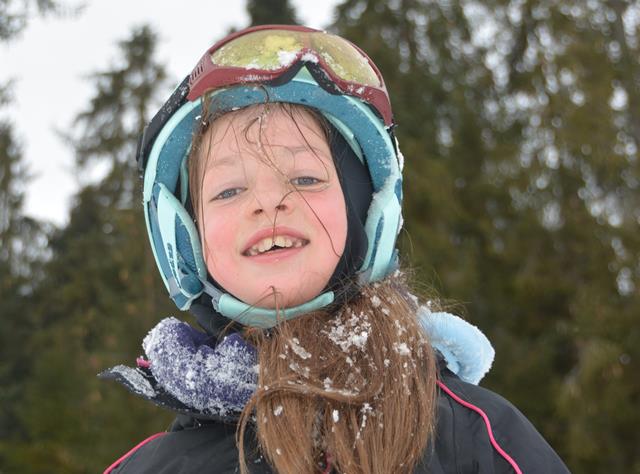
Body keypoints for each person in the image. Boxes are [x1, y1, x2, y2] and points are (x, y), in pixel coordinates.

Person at [101, 25, 570, 474]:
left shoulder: (477, 440)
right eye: (229, 190)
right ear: (186, 237)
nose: (268, 203)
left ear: (364, 211)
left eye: (305, 179)